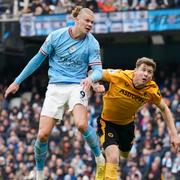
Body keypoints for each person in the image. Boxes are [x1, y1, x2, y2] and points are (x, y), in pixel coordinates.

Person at [4, 6, 105, 180]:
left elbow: (98, 70)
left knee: (81, 124)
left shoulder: (92, 43)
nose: (90, 24)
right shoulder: (56, 36)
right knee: (42, 135)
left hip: (77, 85)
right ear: (77, 20)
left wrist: (91, 79)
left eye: (92, 22)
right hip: (55, 87)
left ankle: (99, 157)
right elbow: (37, 60)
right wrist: (17, 82)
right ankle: (40, 173)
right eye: (87, 21)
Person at [92, 57, 180, 180]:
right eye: (143, 70)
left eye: (150, 72)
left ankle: (103, 156)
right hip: (107, 123)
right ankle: (104, 163)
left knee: (125, 154)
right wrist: (95, 84)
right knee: (113, 157)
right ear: (135, 70)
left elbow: (165, 109)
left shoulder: (151, 89)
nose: (146, 74)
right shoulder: (119, 76)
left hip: (127, 125)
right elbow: (92, 73)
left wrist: (174, 134)